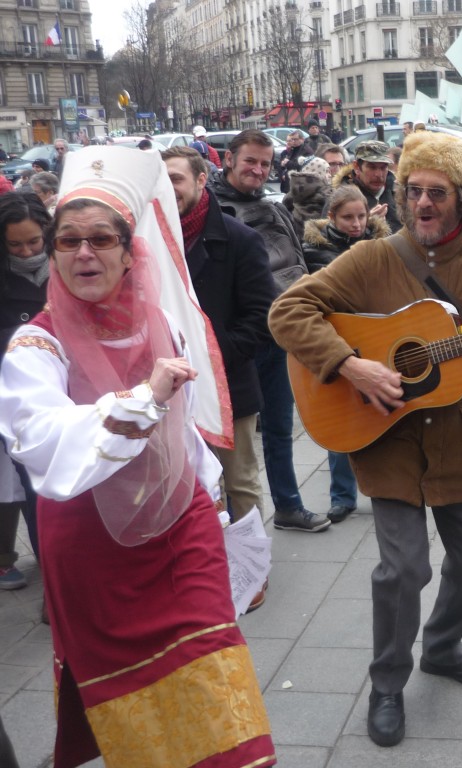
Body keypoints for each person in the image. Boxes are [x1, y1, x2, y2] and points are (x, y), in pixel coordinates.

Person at [268, 130, 462, 748]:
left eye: (435, 192)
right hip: (389, 441)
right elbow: (289, 311)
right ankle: (388, 682)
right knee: (402, 568)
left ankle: (443, 647)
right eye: (412, 190)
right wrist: (349, 364)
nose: (421, 203)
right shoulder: (372, 258)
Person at [0, 146, 275, 767]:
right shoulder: (35, 344)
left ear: (132, 250)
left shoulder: (164, 323)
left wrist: (217, 507)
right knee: (136, 714)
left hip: (183, 534)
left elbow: (185, 435)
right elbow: (42, 440)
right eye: (67, 242)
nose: (84, 254)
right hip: (92, 550)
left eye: (101, 238)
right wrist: (140, 400)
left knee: (221, 698)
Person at [209, 129, 330, 533]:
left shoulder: (275, 209)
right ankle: (231, 521)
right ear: (230, 160)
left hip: (279, 333)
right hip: (237, 340)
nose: (258, 170)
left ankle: (288, 505)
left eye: (264, 163)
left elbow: (299, 262)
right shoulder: (209, 209)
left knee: (280, 426)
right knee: (230, 438)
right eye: (250, 161)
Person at [162, 146, 274, 528]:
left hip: (228, 383)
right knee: (182, 482)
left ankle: (251, 570)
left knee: (239, 480)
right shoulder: (149, 241)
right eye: (161, 180)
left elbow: (261, 319)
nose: (168, 187)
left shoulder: (239, 239)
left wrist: (213, 357)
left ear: (200, 179)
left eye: (175, 178)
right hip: (168, 387)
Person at [300, 185, 392, 521]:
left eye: (361, 216)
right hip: (338, 343)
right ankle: (342, 495)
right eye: (347, 218)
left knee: (383, 414)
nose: (356, 224)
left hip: (376, 336)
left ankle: (387, 486)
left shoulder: (381, 245)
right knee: (341, 418)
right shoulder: (316, 250)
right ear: (331, 218)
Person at [0, 194, 49, 591]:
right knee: (34, 489)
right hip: (15, 399)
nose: (26, 251)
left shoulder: (69, 262)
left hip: (67, 391)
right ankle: (53, 579)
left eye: (34, 241)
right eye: (15, 245)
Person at [331, 140, 401, 233]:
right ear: (356, 167)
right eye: (372, 167)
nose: (378, 174)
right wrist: (365, 225)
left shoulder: (399, 193)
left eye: (383, 167)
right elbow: (329, 239)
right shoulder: (339, 197)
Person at [278, 130, 312, 195]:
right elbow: (287, 162)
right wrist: (283, 164)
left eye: (295, 139)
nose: (293, 141)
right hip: (289, 183)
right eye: (292, 139)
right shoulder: (293, 149)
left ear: (302, 139)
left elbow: (301, 166)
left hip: (299, 184)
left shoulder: (306, 150)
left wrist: (287, 163)